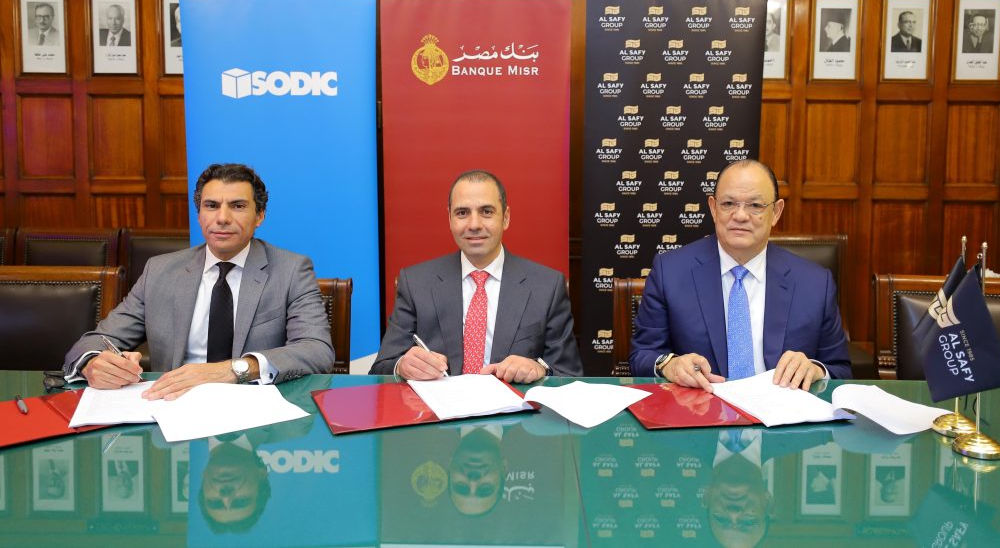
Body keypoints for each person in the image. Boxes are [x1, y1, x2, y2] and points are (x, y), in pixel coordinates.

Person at [63, 163, 334, 400]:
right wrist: (93, 364)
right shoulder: (160, 271)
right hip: (173, 408)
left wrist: (233, 369)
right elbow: (95, 341)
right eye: (211, 206)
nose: (222, 218)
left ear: (259, 216)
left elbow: (316, 350)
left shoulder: (291, 270)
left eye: (238, 206)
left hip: (257, 414)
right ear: (199, 215)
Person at [629, 159, 851, 391]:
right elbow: (643, 355)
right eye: (728, 203)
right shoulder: (670, 272)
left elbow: (840, 370)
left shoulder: (815, 283)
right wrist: (670, 365)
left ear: (776, 212)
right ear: (713, 208)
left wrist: (815, 370)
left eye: (755, 205)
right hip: (700, 407)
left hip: (779, 409)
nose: (741, 215)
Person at [370, 169, 582, 383]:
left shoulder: (547, 287)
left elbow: (569, 375)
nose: (474, 225)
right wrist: (402, 365)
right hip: (438, 404)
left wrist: (541, 369)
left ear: (505, 217)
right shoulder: (415, 283)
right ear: (450, 219)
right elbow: (381, 368)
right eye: (462, 213)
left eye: (486, 212)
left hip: (513, 403)